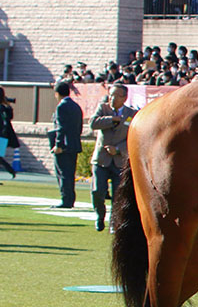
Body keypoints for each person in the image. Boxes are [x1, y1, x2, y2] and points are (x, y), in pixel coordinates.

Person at [89, 83, 136, 232]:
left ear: (124, 97)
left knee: (118, 194)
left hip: (119, 160)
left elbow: (133, 137)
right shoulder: (103, 109)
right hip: (101, 159)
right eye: (111, 95)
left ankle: (114, 222)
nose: (112, 98)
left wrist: (118, 149)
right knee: (97, 191)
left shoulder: (132, 114)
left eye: (116, 95)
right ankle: (99, 215)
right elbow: (93, 123)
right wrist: (112, 119)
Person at [49, 81, 83, 208]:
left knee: (62, 173)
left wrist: (58, 144)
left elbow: (61, 127)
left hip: (64, 146)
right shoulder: (76, 106)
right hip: (74, 143)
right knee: (70, 173)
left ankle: (66, 199)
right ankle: (70, 199)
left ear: (57, 93)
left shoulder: (61, 106)